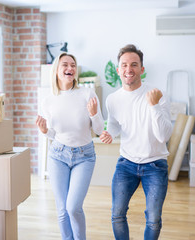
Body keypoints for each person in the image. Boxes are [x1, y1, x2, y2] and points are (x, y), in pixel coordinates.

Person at [100, 44, 173, 240]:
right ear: (118, 70)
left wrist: (154, 106)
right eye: (124, 65)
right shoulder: (113, 99)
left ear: (142, 69)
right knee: (117, 215)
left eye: (134, 64)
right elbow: (116, 124)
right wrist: (110, 133)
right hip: (127, 164)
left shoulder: (157, 94)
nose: (128, 69)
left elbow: (163, 136)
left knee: (153, 219)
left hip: (155, 164)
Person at [36, 52, 104, 240]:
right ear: (56, 70)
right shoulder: (48, 101)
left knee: (73, 207)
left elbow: (98, 129)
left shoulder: (87, 94)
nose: (70, 68)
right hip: (58, 155)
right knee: (62, 210)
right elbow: (53, 134)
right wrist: (44, 131)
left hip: (85, 156)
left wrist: (94, 113)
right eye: (65, 65)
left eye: (73, 65)